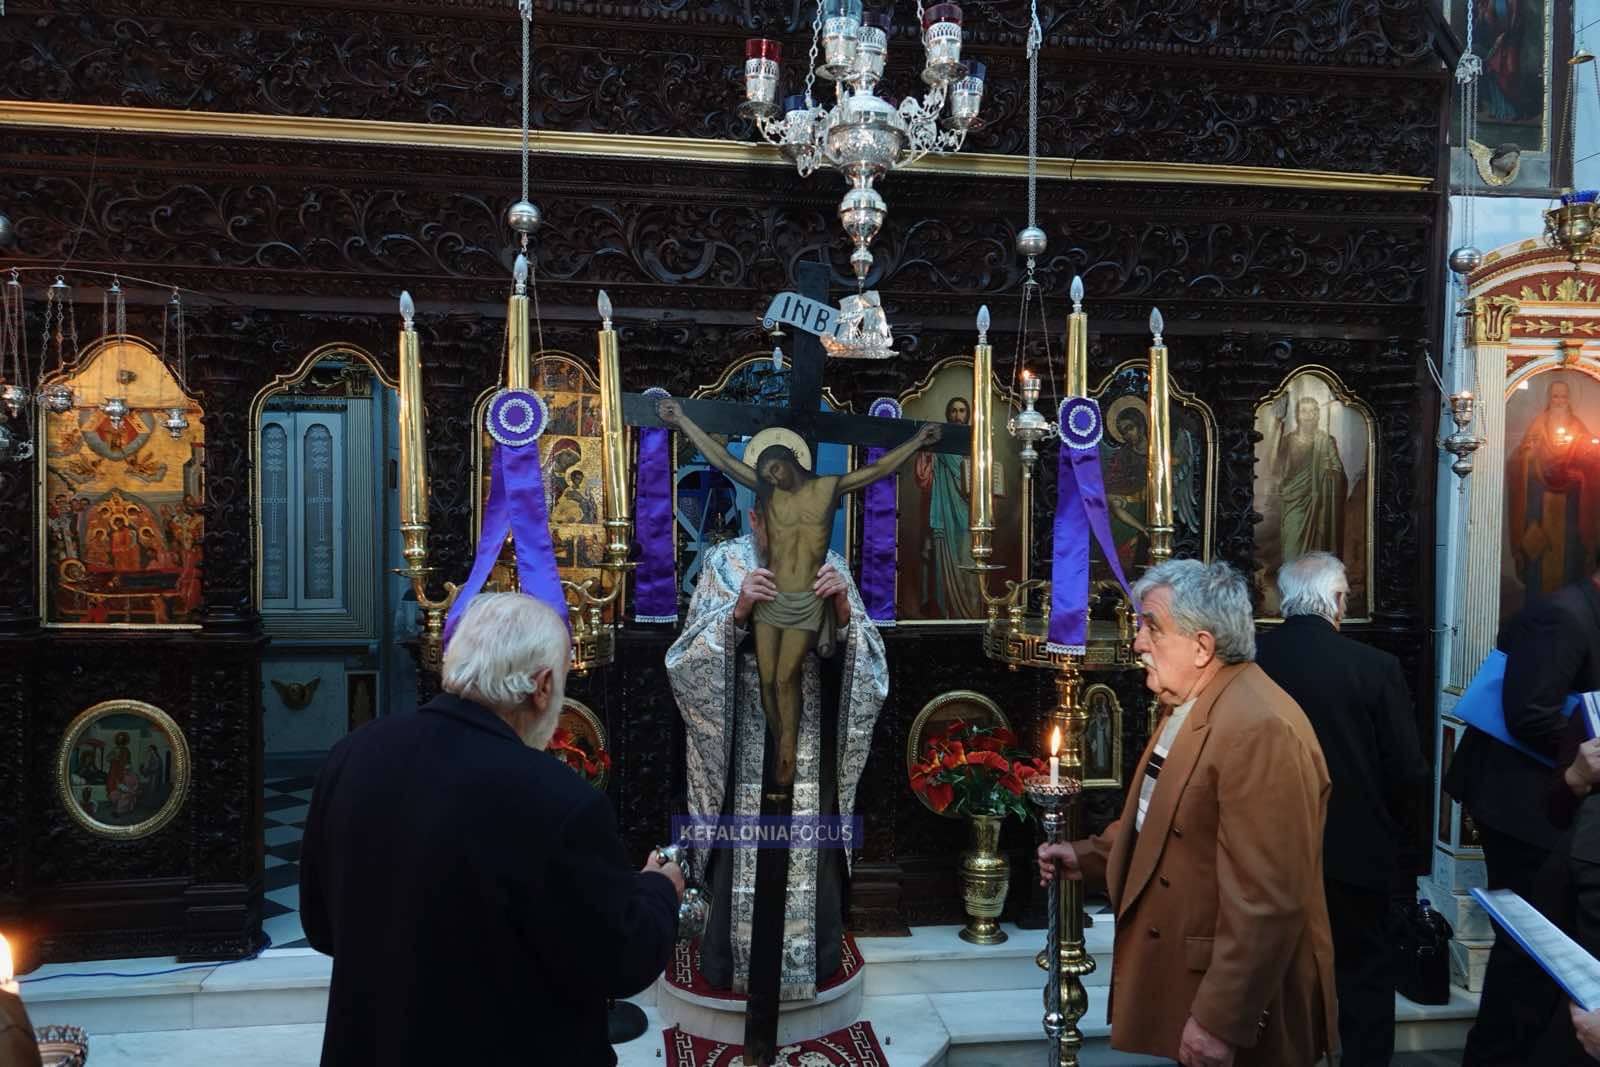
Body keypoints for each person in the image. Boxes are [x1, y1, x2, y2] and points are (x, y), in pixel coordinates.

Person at [300, 592, 683, 1067]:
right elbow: (620, 962)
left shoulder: (353, 755)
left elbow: (321, 927)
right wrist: (658, 890)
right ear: (543, 686)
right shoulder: (561, 801)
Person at [1037, 558, 1337, 1067]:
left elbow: (1266, 898)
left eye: (1152, 627)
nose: (1138, 644)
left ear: (1202, 647)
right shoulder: (1194, 704)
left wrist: (1220, 1020)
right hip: (1191, 973)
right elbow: (1165, 818)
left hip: (1243, 1010)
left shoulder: (1259, 728)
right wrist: (1086, 856)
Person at [665, 502, 887, 999]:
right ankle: (730, 959)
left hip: (808, 734)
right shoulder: (724, 563)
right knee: (740, 846)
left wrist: (844, 615)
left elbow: (870, 666)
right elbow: (686, 661)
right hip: (739, 734)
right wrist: (737, 613)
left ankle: (813, 958)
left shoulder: (832, 564)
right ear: (754, 518)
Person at [1255, 552, 1426, 1067]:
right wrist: (1399, 839)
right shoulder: (1375, 667)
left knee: (1267, 973)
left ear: (1285, 601)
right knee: (1364, 977)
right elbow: (1408, 769)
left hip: (1266, 849)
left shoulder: (1251, 662)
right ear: (1335, 601)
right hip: (1356, 851)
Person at [1446, 557, 1600, 1065]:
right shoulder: (1564, 616)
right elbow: (1528, 712)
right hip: (1522, 807)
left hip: (1551, 803)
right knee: (1530, 950)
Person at [913, 396, 983, 618]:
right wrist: (925, 449)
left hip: (967, 513)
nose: (957, 415)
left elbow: (983, 479)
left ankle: (972, 615)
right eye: (953, 411)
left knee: (968, 563)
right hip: (943, 511)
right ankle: (946, 615)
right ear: (948, 414)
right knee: (944, 565)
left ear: (967, 414)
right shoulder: (938, 444)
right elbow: (923, 478)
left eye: (962, 411)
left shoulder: (975, 442)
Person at [1272, 395, 1347, 561]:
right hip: (1293, 499)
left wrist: (1327, 471)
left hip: (1318, 501)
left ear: (1318, 415)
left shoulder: (1326, 441)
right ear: (1297, 415)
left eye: (1313, 411)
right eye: (1304, 411)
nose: (1308, 415)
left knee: (1316, 551)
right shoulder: (1288, 441)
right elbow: (1276, 471)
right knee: (1292, 546)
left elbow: (1338, 470)